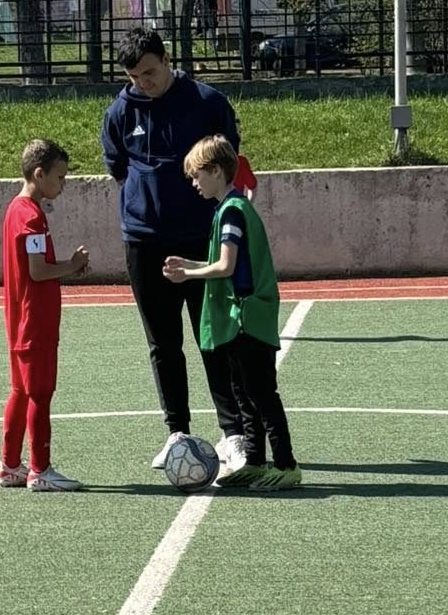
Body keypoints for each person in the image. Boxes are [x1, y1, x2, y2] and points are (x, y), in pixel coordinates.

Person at [103, 29, 247, 472]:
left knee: (214, 337)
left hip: (200, 239)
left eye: (149, 72)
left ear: (167, 60)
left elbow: (229, 159)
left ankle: (233, 433)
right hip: (144, 242)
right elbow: (118, 166)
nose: (142, 83)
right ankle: (177, 433)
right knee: (163, 343)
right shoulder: (120, 112)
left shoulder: (207, 103)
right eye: (133, 76)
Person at [163, 136, 300, 491]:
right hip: (241, 319)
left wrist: (188, 273)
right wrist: (190, 264)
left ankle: (286, 464)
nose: (194, 182)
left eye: (197, 175)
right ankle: (254, 461)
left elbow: (225, 266)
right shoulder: (229, 209)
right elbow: (226, 263)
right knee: (244, 393)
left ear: (216, 171)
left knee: (262, 393)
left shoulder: (233, 211)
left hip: (246, 317)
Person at [0, 138, 91, 493]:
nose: (63, 184)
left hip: (20, 320)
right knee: (40, 393)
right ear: (39, 174)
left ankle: (10, 465)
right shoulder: (32, 217)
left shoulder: (16, 209)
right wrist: (72, 265)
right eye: (60, 177)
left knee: (21, 391)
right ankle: (40, 469)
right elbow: (37, 271)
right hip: (35, 320)